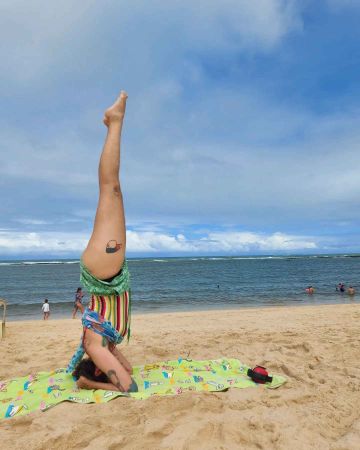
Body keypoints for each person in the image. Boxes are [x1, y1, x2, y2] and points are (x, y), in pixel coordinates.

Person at [67, 91, 137, 393]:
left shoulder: (93, 343)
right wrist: (112, 363)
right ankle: (115, 123)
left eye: (108, 367)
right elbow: (129, 372)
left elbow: (127, 387)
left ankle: (114, 122)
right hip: (107, 271)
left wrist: (87, 383)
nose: (116, 365)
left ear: (98, 366)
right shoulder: (103, 342)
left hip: (102, 271)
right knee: (113, 190)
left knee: (111, 189)